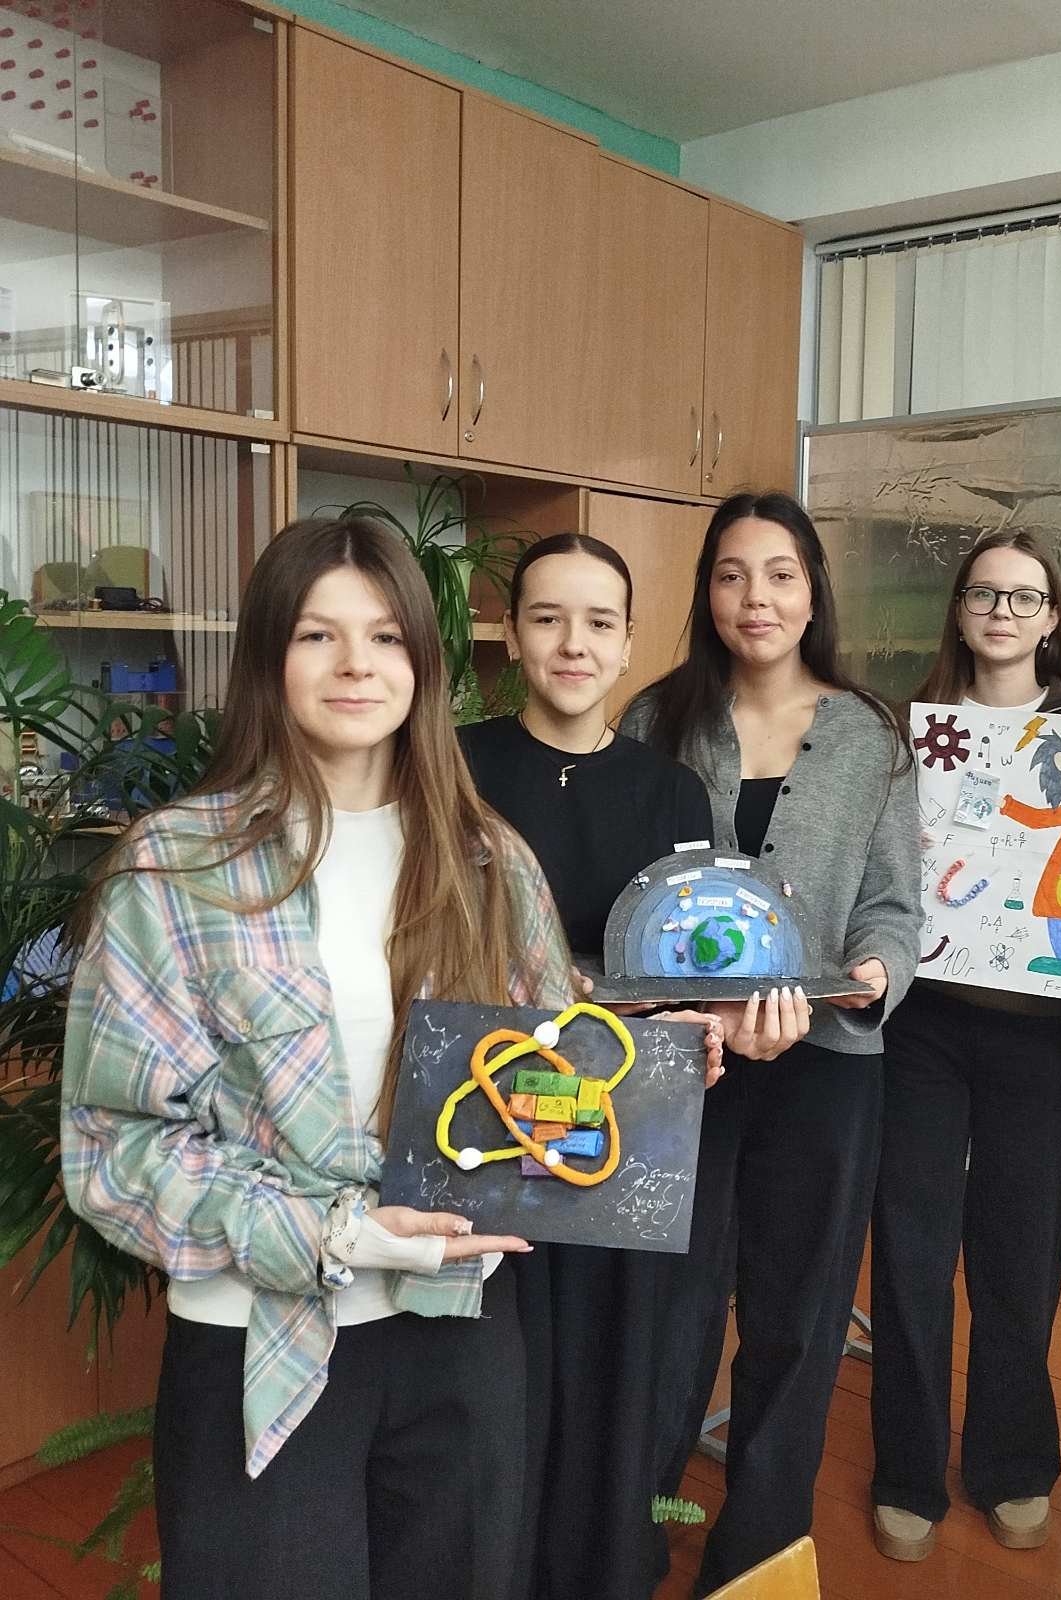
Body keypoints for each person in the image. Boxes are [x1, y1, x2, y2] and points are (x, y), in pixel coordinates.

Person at [61, 516, 574, 1600]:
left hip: (459, 1325)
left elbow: (548, 1069)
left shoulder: (488, 859)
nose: (356, 665)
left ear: (422, 663)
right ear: (269, 656)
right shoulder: (177, 868)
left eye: (385, 636)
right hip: (258, 1332)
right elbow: (114, 1149)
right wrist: (334, 1231)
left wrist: (641, 1092)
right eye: (316, 635)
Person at [621, 489, 921, 1594]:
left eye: (781, 573)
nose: (757, 597)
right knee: (671, 1314)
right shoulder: (655, 720)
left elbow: (893, 904)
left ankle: (753, 1552)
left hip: (825, 1064)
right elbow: (624, 896)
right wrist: (673, 1013)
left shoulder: (869, 733)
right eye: (732, 573)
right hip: (678, 1069)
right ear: (707, 591)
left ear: (812, 591)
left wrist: (876, 973)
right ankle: (638, 1527)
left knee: (799, 1321)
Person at [457, 532, 724, 1600]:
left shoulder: (673, 792)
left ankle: (600, 1568)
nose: (574, 643)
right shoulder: (451, 766)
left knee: (615, 1351)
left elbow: (686, 966)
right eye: (548, 617)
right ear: (511, 634)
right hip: (480, 1105)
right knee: (494, 1355)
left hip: (624, 1111)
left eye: (599, 622)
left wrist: (706, 1029)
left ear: (627, 642)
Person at [869, 530, 1061, 1562]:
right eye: (983, 594)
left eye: (1023, 596)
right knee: (911, 1248)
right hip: (920, 1021)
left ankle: (1013, 1462)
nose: (1001, 612)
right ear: (958, 611)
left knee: (1022, 1254)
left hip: (1042, 1032)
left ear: (1052, 617)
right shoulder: (903, 730)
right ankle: (906, 1471)